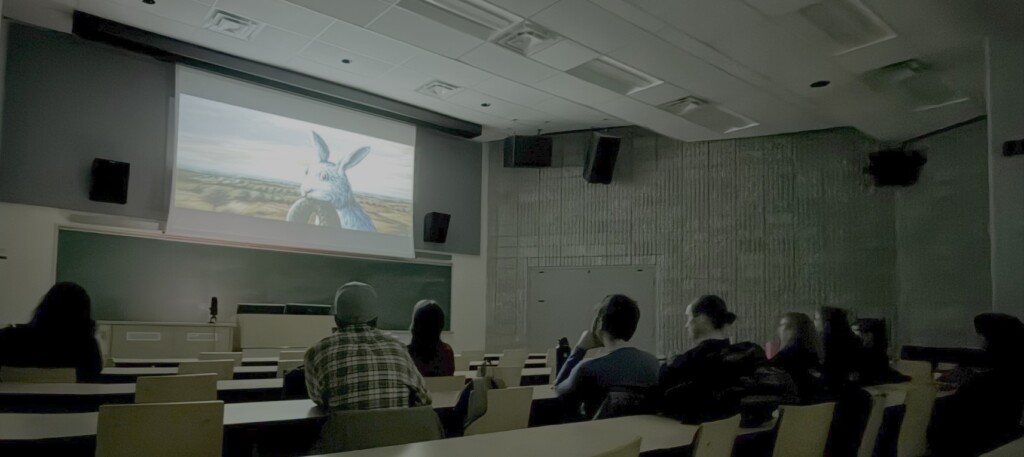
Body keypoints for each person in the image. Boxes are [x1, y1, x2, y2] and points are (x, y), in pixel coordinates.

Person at [304, 282, 431, 411]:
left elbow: (319, 400)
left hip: (344, 430)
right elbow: (424, 399)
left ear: (336, 319)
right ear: (376, 319)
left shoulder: (316, 353)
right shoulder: (399, 348)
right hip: (395, 430)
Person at [929, 313, 1024, 456]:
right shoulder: (1010, 372)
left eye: (983, 337)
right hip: (996, 437)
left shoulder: (987, 383)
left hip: (971, 442)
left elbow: (953, 419)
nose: (981, 344)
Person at [553, 294, 660, 420]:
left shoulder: (587, 369)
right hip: (644, 437)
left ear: (599, 323)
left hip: (599, 437)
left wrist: (579, 350)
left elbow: (559, 391)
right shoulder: (653, 363)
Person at [660, 295, 756, 423]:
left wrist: (669, 363)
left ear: (702, 319)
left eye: (689, 318)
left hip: (695, 434)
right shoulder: (747, 355)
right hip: (741, 433)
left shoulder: (692, 360)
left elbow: (662, 386)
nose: (686, 325)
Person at [0, 282, 102, 382]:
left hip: (14, 399)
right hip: (69, 399)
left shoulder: (8, 339)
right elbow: (92, 377)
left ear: (43, 307)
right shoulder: (87, 348)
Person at [770, 312, 822, 403]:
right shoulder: (815, 355)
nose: (779, 329)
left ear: (792, 330)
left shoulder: (785, 357)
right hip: (815, 410)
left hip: (791, 409)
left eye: (782, 325)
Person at [815, 306, 862, 391]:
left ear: (826, 322)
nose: (814, 322)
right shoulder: (853, 338)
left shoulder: (824, 340)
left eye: (816, 319)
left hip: (829, 389)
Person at [853, 318, 909, 386]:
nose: (862, 336)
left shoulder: (878, 354)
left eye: (865, 333)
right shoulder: (859, 351)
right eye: (861, 333)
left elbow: (879, 374)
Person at [407, 299, 454, 377]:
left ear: (415, 326)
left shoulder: (406, 354)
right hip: (442, 389)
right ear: (441, 326)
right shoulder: (447, 352)